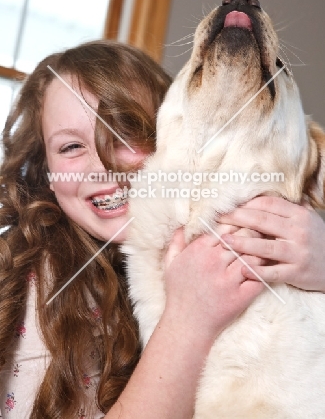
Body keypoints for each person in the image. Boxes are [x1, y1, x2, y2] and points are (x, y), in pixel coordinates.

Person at [0, 40, 324, 418]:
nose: (101, 167)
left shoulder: (218, 245)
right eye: (71, 147)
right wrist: (188, 320)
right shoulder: (34, 287)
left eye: (125, 129)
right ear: (47, 174)